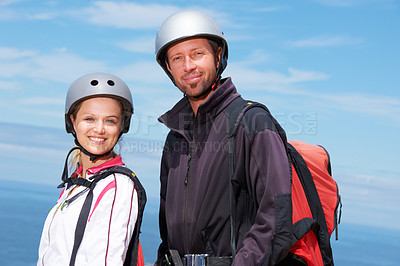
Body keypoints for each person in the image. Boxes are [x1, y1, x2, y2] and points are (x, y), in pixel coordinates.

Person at [154, 10, 292, 266]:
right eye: (177, 58)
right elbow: (167, 232)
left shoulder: (252, 123)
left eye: (197, 53)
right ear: (168, 69)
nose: (188, 66)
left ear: (218, 56)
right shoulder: (175, 136)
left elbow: (275, 221)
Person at [37, 73, 146, 266]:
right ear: (72, 121)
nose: (99, 129)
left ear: (123, 125)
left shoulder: (116, 186)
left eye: (110, 121)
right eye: (89, 119)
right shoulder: (76, 184)